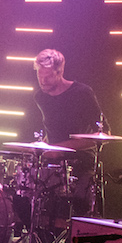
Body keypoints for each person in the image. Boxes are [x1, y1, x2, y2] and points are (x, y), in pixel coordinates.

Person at [32, 48, 104, 217]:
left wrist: (60, 149)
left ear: (60, 71)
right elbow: (54, 129)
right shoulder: (41, 97)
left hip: (80, 164)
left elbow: (101, 134)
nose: (43, 81)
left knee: (78, 209)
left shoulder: (82, 93)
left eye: (48, 76)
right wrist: (41, 145)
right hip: (53, 165)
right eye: (39, 76)